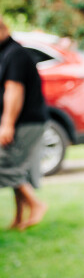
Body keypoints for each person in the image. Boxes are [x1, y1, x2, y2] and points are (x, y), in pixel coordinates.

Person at [0, 16, 49, 231]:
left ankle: (36, 204)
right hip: (22, 122)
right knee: (15, 167)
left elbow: (14, 91)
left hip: (25, 122)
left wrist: (7, 124)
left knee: (6, 166)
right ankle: (19, 217)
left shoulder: (16, 54)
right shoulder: (6, 53)